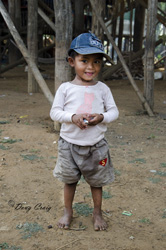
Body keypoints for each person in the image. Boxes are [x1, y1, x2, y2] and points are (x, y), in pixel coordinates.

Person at [50, 32, 119, 231]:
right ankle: (68, 211)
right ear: (72, 61)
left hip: (97, 148)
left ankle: (97, 213)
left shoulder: (103, 89)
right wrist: (72, 117)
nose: (91, 67)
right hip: (68, 146)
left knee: (97, 182)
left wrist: (102, 117)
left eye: (97, 61)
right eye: (84, 60)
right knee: (69, 181)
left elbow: (114, 111)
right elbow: (55, 112)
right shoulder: (65, 88)